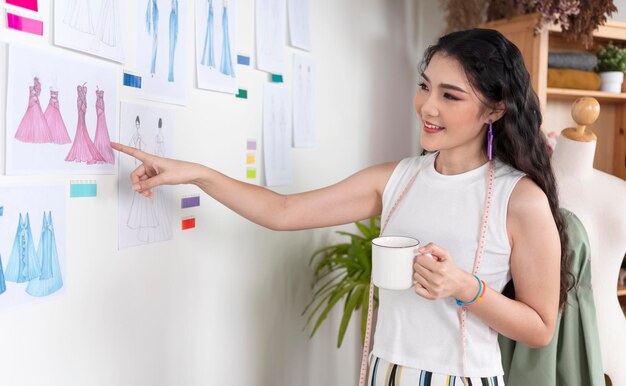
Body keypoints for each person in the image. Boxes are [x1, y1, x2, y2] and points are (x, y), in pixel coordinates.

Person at [113, 28, 570, 385]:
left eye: (450, 96)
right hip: (384, 372)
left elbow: (540, 327)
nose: (427, 106)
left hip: (460, 378)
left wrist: (464, 286)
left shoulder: (520, 199)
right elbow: (283, 212)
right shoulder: (397, 179)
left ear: (494, 110)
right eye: (425, 86)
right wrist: (197, 173)